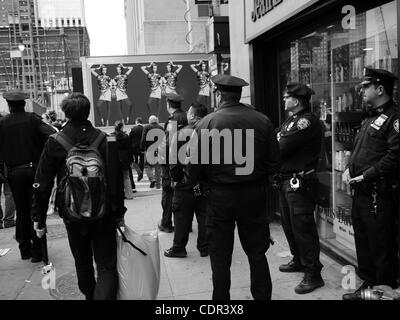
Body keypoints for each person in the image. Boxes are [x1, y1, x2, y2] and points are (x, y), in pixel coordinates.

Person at [187, 75, 281, 300]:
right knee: (257, 253)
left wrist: (202, 186)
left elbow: (194, 168)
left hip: (219, 197)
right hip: (254, 195)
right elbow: (275, 163)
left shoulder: (207, 123)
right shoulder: (262, 120)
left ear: (219, 94)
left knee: (220, 255)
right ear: (239, 95)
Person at [32, 93, 126, 300]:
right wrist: (119, 212)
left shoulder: (55, 141)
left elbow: (42, 183)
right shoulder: (105, 139)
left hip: (72, 214)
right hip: (104, 214)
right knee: (106, 266)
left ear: (66, 113)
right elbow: (116, 179)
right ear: (88, 111)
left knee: (82, 262)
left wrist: (39, 218)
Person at [342, 68, 399, 300]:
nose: (361, 90)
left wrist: (367, 175)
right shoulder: (370, 118)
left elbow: (396, 156)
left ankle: (383, 291)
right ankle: (369, 286)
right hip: (362, 194)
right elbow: (360, 151)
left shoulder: (395, 118)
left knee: (381, 247)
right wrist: (348, 168)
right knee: (364, 244)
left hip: (379, 194)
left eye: (366, 87)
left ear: (380, 89)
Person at [276, 83, 325, 295]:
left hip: (299, 183)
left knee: (303, 229)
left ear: (296, 101)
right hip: (286, 181)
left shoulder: (306, 121)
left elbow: (281, 146)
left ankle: (313, 273)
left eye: (287, 97)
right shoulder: (291, 120)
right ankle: (299, 260)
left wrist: (278, 140)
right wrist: (278, 138)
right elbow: (276, 137)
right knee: (289, 225)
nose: (284, 100)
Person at [0, 90, 56, 262]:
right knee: (36, 209)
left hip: (14, 173)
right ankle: (38, 251)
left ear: (9, 106)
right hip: (34, 171)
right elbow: (52, 135)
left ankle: (24, 249)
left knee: (21, 210)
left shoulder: (2, 123)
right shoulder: (33, 119)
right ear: (24, 104)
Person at [164, 102, 209, 258]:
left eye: (189, 112)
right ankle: (204, 247)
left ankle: (179, 248)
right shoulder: (211, 132)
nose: (187, 114)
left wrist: (177, 178)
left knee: (182, 216)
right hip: (204, 183)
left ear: (193, 116)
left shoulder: (181, 133)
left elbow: (173, 161)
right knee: (204, 215)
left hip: (185, 182)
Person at [158, 93, 188, 233]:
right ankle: (185, 225)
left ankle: (166, 223)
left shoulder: (173, 120)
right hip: (186, 160)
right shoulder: (187, 116)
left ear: (168, 104)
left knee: (168, 193)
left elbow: (170, 143)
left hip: (171, 162)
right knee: (185, 192)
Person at [111, 121, 135, 200]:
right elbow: (129, 149)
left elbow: (109, 149)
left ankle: (118, 195)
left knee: (116, 178)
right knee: (126, 177)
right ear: (122, 127)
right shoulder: (126, 136)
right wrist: (131, 160)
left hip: (115, 159)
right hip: (125, 159)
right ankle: (129, 195)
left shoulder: (111, 137)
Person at [141, 116, 163, 189]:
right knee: (158, 167)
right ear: (156, 120)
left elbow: (143, 138)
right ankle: (158, 185)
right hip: (159, 149)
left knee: (147, 165)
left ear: (150, 121)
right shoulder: (161, 127)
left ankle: (152, 179)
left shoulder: (147, 127)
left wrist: (142, 148)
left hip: (150, 149)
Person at [129, 117, 145, 182]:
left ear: (137, 121)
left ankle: (139, 171)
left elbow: (129, 138)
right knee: (142, 161)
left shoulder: (133, 129)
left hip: (134, 148)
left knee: (135, 161)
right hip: (142, 147)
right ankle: (141, 174)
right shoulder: (144, 129)